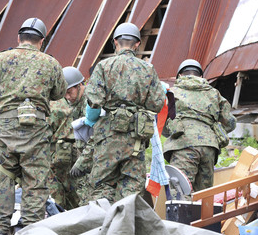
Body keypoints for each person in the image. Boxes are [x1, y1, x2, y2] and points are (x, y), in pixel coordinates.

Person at [0, 17, 67, 235]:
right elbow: (58, 93)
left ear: (19, 38)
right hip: (36, 129)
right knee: (35, 180)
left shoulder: (2, 58)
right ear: (42, 41)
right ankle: (30, 233)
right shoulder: (50, 63)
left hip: (6, 127)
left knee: (3, 177)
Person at [84, 22, 165, 203]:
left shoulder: (103, 66)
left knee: (102, 185)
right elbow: (157, 103)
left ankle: (101, 226)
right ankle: (125, 228)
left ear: (115, 42)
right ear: (137, 44)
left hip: (108, 138)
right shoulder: (148, 70)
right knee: (131, 189)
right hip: (134, 140)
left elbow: (94, 100)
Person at [163, 59, 236, 196]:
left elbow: (161, 121)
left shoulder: (171, 93)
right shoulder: (214, 93)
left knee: (179, 192)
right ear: (201, 76)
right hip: (209, 147)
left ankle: (179, 218)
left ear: (179, 75)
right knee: (204, 196)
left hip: (183, 145)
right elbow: (230, 123)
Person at [47, 66, 87, 210]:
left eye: (70, 92)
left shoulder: (91, 102)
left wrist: (82, 162)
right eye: (65, 94)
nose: (68, 97)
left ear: (79, 85)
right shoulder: (74, 104)